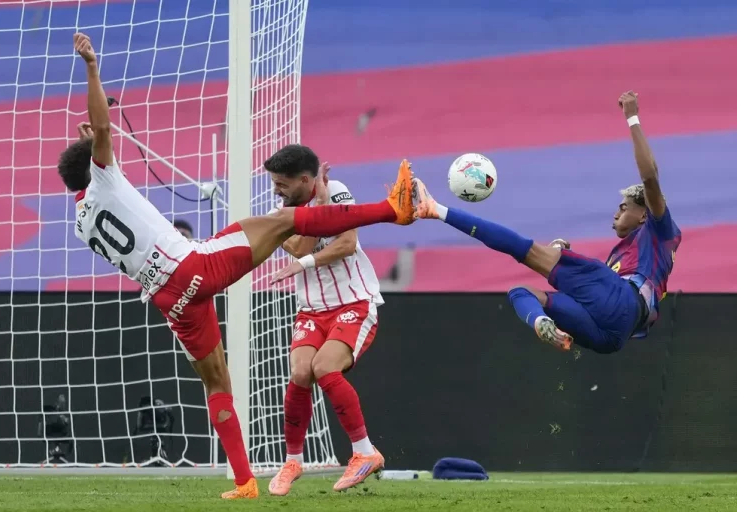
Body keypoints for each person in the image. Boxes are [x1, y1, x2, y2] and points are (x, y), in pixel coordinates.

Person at [59, 33, 417, 499]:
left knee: (217, 384)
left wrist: (89, 151)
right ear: (93, 164)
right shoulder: (104, 175)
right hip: (192, 268)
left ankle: (246, 482)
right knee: (285, 219)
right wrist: (90, 68)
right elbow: (103, 133)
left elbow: (93, 164)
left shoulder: (81, 221)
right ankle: (394, 208)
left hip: (169, 301)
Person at [413, 91, 681, 354]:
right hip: (613, 337)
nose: (615, 214)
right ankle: (541, 322)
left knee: (525, 250)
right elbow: (599, 296)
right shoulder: (625, 255)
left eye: (623, 208)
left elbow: (650, 178)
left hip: (623, 305)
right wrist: (561, 254)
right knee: (521, 293)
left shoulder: (658, 229)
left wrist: (632, 117)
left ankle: (435, 209)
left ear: (644, 214)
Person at [262, 146, 384, 495]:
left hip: (353, 303)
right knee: (301, 372)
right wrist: (318, 208)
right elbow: (300, 247)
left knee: (324, 368)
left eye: (282, 184)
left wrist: (325, 205)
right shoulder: (281, 211)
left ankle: (364, 453)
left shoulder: (339, 189)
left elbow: (347, 242)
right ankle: (293, 460)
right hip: (312, 310)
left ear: (305, 179)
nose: (276, 191)